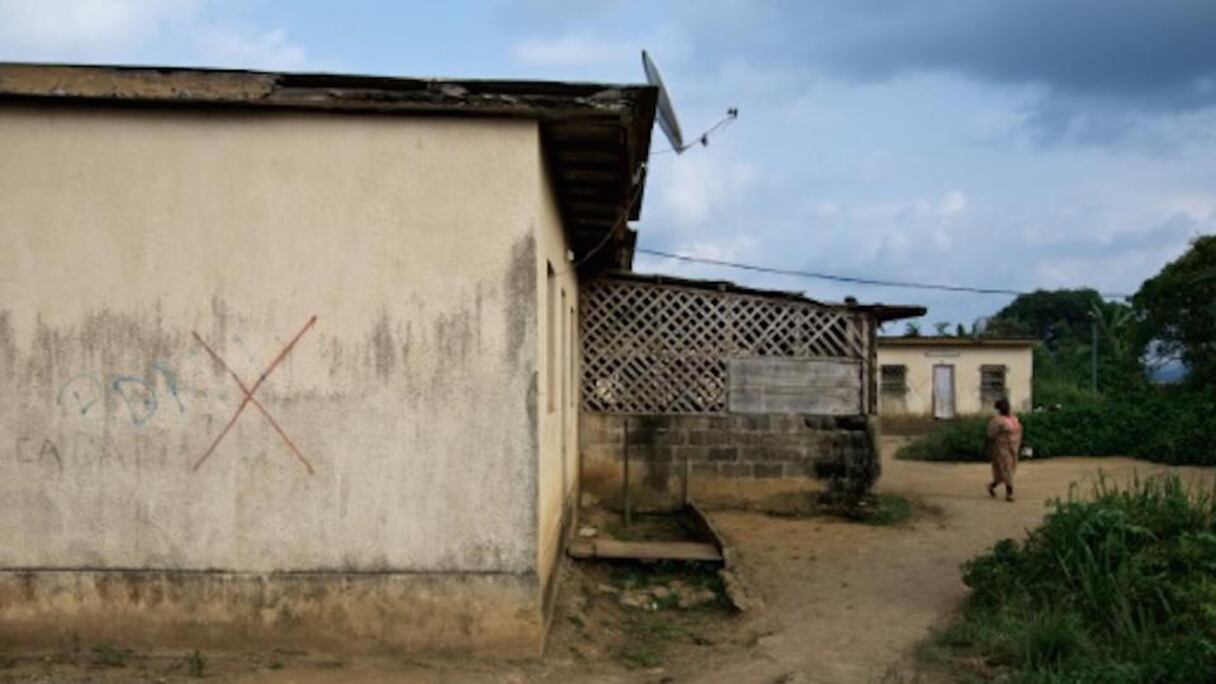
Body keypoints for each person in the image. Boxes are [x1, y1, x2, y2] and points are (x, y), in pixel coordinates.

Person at [986, 398, 1022, 502]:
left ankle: (992, 485)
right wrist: (989, 449)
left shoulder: (1014, 418)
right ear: (1000, 409)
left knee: (1009, 470)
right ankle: (1009, 493)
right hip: (1002, 448)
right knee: (1007, 469)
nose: (1007, 408)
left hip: (1014, 448)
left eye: (1007, 406)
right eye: (1004, 406)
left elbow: (1018, 432)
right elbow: (990, 435)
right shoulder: (996, 421)